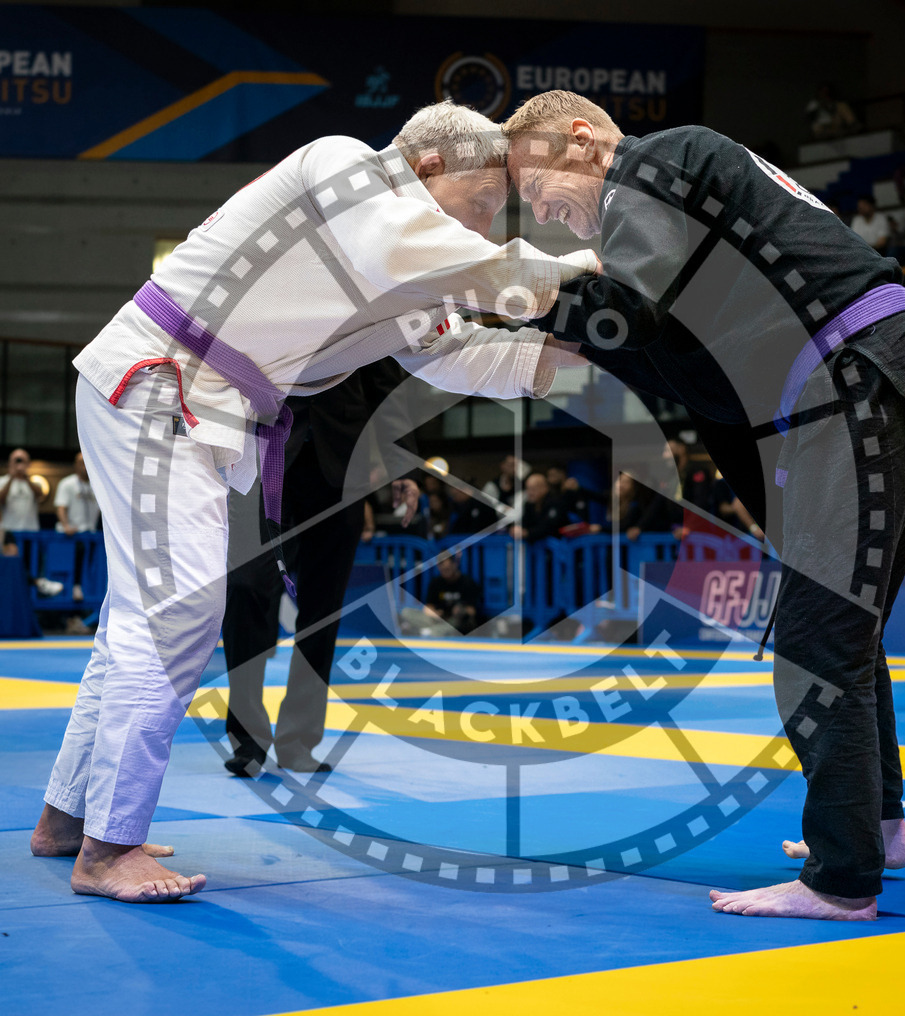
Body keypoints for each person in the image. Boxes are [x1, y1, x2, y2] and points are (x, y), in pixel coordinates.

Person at [30, 99, 597, 903]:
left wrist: (569, 345)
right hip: (161, 380)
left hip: (183, 400)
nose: (481, 227)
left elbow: (458, 356)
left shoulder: (403, 270)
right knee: (178, 613)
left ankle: (67, 821)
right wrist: (567, 274)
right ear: (430, 165)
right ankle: (109, 847)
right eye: (479, 206)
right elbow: (439, 254)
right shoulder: (343, 169)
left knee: (139, 620)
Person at [504, 90, 905, 920]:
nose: (548, 216)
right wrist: (559, 325)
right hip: (895, 369)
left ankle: (842, 878)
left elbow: (640, 318)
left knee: (817, 640)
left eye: (540, 193)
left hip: (854, 376)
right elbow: (680, 359)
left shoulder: (647, 167)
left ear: (581, 143)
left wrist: (518, 293)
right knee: (844, 629)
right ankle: (879, 826)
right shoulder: (690, 191)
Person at [221, 361, 420, 778]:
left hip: (341, 464)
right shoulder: (261, 299)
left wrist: (401, 465)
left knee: (322, 612)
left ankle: (298, 740)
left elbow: (386, 384)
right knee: (245, 587)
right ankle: (247, 737)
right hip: (263, 454)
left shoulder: (368, 299)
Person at [0, 449, 63, 597]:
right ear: (10, 463)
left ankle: (36, 586)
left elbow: (40, 495)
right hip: (9, 534)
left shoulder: (34, 482)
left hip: (31, 533)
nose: (19, 464)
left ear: (28, 464)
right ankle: (37, 584)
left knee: (30, 565)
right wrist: (12, 477)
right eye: (17, 460)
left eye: (23, 461)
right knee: (13, 567)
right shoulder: (3, 481)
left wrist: (25, 477)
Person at [54, 452, 100, 630]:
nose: (84, 465)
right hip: (70, 538)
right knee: (67, 577)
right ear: (75, 464)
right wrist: (66, 525)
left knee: (91, 575)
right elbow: (60, 507)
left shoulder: (96, 484)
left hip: (90, 536)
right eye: (81, 462)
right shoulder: (68, 483)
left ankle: (81, 617)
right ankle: (69, 612)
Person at [401, 551, 483, 636]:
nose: (445, 571)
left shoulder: (467, 583)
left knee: (455, 624)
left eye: (448, 568)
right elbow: (429, 606)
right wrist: (434, 613)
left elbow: (472, 611)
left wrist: (461, 610)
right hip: (439, 619)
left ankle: (424, 632)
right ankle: (429, 631)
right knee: (406, 612)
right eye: (442, 569)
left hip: (456, 622)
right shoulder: (436, 583)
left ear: (454, 564)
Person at [509, 471, 569, 542]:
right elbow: (525, 522)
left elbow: (550, 527)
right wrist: (516, 529)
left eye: (533, 489)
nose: (530, 492)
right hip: (537, 547)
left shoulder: (556, 502)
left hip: (559, 545)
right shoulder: (529, 504)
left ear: (545, 488)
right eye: (528, 489)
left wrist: (527, 533)